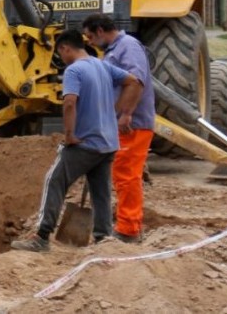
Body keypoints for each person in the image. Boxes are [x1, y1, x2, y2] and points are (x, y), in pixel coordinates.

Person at [11, 28, 141, 252]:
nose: (61, 58)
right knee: (100, 192)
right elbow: (134, 81)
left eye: (60, 54)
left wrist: (70, 134)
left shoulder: (74, 70)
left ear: (65, 48)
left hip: (85, 143)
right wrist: (117, 111)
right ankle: (103, 239)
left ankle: (41, 236)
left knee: (55, 180)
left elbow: (70, 102)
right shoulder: (102, 65)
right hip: (108, 144)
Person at [82, 14, 155, 244]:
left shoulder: (128, 47)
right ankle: (125, 225)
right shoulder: (114, 50)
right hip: (118, 123)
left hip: (132, 124)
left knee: (126, 175)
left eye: (91, 36)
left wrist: (126, 114)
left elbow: (137, 81)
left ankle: (128, 229)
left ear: (101, 31)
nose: (90, 42)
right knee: (121, 174)